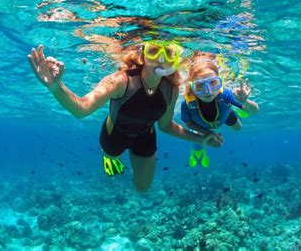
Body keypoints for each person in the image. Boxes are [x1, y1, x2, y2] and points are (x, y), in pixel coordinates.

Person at [28, 41, 223, 192]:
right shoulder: (120, 80)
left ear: (174, 58)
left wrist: (201, 138)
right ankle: (109, 157)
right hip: (114, 135)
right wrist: (55, 86)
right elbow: (82, 109)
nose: (161, 59)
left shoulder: (171, 88)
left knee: (142, 188)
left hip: (146, 136)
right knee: (112, 159)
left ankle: (117, 159)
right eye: (154, 51)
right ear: (143, 54)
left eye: (169, 53)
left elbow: (165, 126)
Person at [181, 53, 259, 168]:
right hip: (201, 125)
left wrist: (245, 102)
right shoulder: (187, 104)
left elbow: (254, 111)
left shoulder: (226, 94)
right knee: (199, 139)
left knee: (238, 128)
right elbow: (188, 123)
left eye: (213, 83)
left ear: (220, 81)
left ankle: (237, 107)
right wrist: (210, 133)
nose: (208, 91)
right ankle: (197, 152)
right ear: (192, 87)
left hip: (224, 114)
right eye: (199, 86)